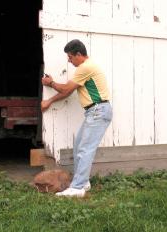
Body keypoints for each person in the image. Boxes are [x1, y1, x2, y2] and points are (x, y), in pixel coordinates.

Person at [41, 39, 112, 198]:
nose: (69, 60)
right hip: (95, 112)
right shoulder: (87, 68)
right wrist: (50, 101)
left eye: (70, 57)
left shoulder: (85, 67)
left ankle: (78, 188)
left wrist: (51, 82)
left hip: (97, 111)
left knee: (85, 149)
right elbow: (67, 91)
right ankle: (83, 182)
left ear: (79, 54)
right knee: (79, 146)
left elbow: (65, 89)